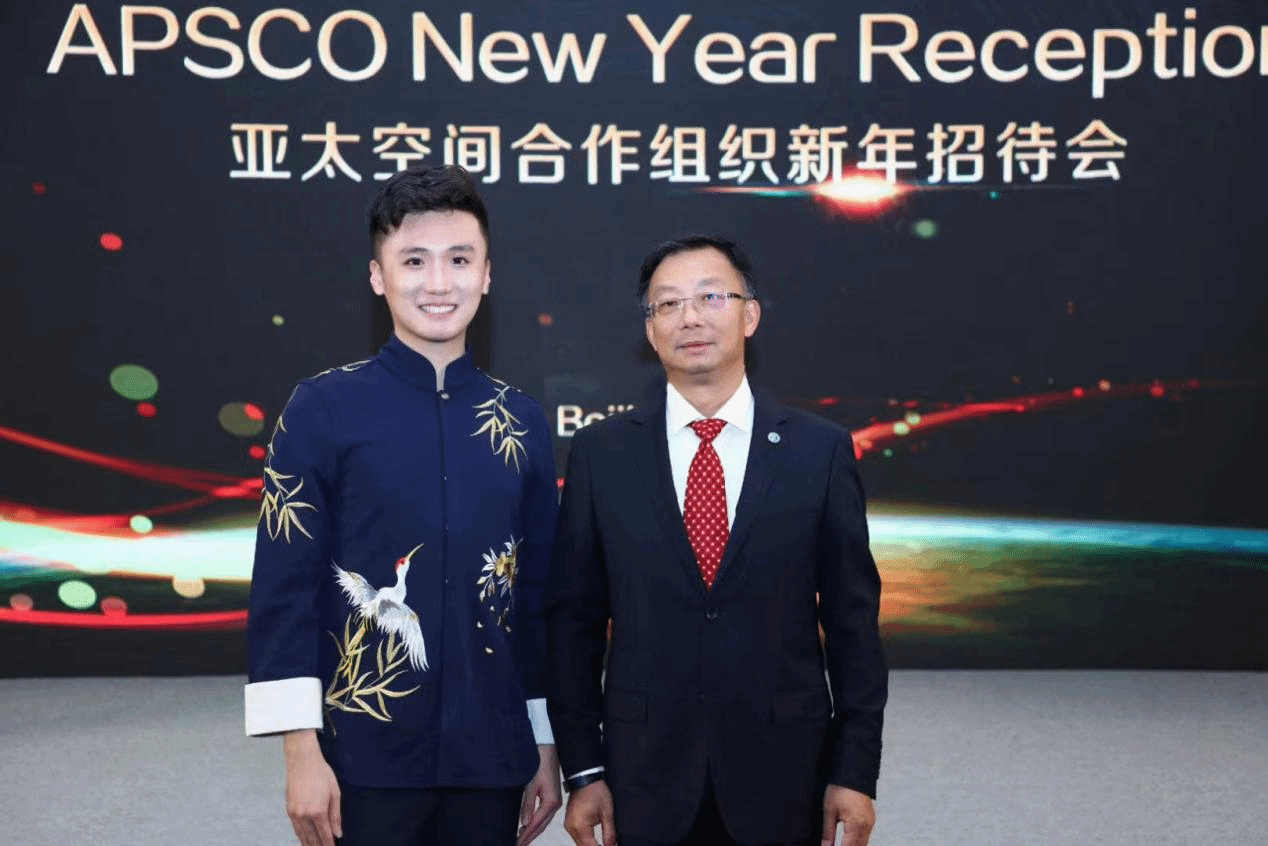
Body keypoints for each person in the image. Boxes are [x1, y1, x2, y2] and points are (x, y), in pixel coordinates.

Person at [244, 164, 561, 846]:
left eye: (459, 260)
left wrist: (543, 739)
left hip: (491, 753)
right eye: (414, 261)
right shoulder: (323, 407)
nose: (438, 283)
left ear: (487, 274)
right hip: (360, 753)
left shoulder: (522, 421)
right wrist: (300, 749)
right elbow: (284, 588)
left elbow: (536, 600)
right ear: (377, 276)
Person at [545, 235, 887, 846]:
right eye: (668, 304)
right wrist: (584, 769)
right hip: (642, 775)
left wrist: (855, 770)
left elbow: (853, 624)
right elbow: (575, 622)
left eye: (711, 297)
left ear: (749, 315)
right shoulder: (603, 453)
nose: (691, 318)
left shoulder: (820, 451)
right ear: (650, 331)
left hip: (786, 771)